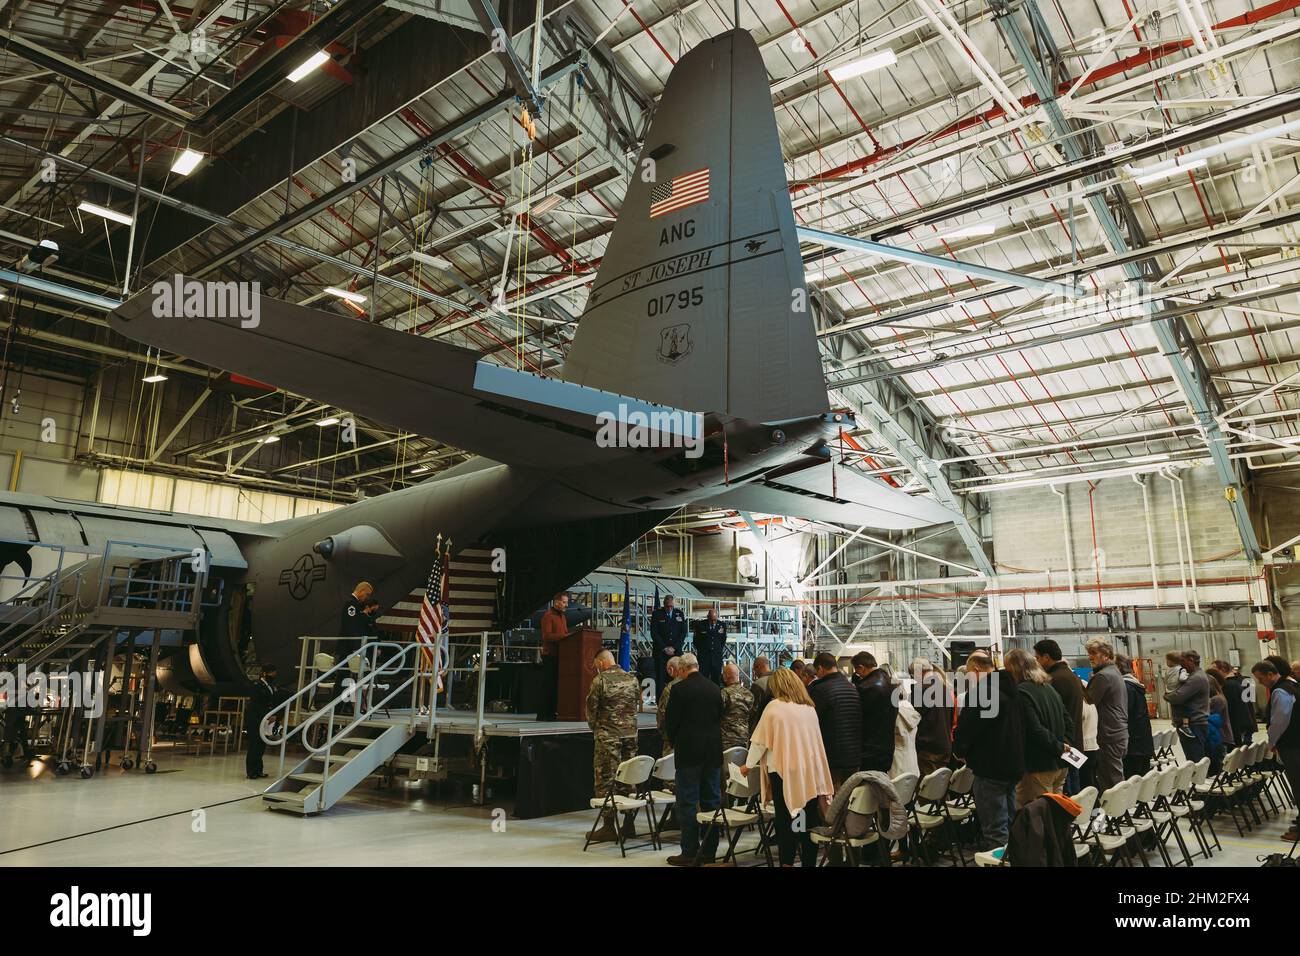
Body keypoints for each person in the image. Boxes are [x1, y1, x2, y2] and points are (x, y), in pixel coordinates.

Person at [741, 667, 834, 867]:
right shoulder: (809, 707)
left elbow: (760, 742)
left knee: (786, 820)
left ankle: (787, 863)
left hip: (784, 771)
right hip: (809, 770)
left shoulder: (774, 707)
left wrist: (747, 765)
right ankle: (809, 862)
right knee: (807, 818)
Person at [953, 652, 1024, 849]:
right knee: (1009, 822)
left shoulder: (982, 693)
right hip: (1012, 764)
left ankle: (998, 860)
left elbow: (966, 730)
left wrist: (959, 750)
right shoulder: (1011, 689)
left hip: (989, 767)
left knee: (995, 829)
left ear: (976, 670)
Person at [663, 654, 723, 866]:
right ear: (696, 666)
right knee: (711, 802)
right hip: (713, 753)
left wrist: (675, 741)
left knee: (687, 803)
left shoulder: (679, 690)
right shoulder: (715, 688)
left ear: (681, 669)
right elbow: (720, 717)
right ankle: (710, 851)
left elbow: (671, 722)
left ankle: (689, 851)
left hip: (689, 753)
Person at [585, 650, 642, 843]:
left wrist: (597, 728)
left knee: (606, 778)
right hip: (631, 735)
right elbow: (637, 704)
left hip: (608, 736)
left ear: (601, 663)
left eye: (596, 665)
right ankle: (629, 823)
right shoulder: (632, 679)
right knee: (630, 778)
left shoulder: (600, 681)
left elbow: (591, 710)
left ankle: (609, 826)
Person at [1005, 649, 1070, 808]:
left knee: (1034, 819)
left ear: (1014, 669)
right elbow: (1069, 721)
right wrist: (1064, 746)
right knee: (1054, 814)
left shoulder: (1021, 692)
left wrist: (1059, 747)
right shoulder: (1049, 688)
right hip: (1060, 764)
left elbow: (1034, 729)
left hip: (1038, 765)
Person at [1250, 659, 1299, 842]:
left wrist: (1272, 741)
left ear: (1271, 674)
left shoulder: (1280, 690)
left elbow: (1279, 722)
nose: (1260, 683)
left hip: (1292, 746)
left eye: (1261, 678)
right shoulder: (1291, 685)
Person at [1033, 640, 1086, 793]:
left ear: (1046, 657)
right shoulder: (1069, 675)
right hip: (1073, 742)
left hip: (1063, 746)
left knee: (1065, 795)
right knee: (1073, 791)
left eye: (1037, 658)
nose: (1036, 661)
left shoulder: (1055, 679)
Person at [807, 652, 862, 786]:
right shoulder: (852, 687)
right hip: (854, 754)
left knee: (831, 799)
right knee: (848, 796)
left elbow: (811, 720)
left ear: (820, 668)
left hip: (831, 756)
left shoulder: (819, 689)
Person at [1084, 638, 1128, 791]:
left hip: (1110, 733)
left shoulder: (1103, 676)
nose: (1090, 657)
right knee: (1112, 775)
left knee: (1112, 780)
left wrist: (1081, 682)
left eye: (1094, 653)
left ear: (1106, 654)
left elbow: (1089, 699)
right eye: (1089, 653)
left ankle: (1119, 812)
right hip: (1118, 731)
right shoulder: (1114, 671)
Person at [1163, 649, 1211, 764]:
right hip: (1194, 723)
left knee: (1195, 761)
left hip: (1193, 724)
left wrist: (1166, 695)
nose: (1181, 664)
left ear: (1191, 660)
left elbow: (1178, 697)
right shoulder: (1194, 675)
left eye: (1183, 661)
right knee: (1194, 758)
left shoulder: (1196, 678)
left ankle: (1197, 781)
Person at [855, 652, 897, 772]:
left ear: (861, 668)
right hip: (887, 746)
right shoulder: (890, 683)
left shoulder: (867, 687)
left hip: (870, 749)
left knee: (868, 787)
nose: (858, 676)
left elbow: (862, 719)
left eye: (857, 672)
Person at [911, 657, 953, 777]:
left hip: (928, 747)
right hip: (945, 745)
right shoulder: (945, 689)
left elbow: (913, 719)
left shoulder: (920, 690)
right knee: (939, 787)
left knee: (928, 791)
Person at [1116, 654, 1154, 777]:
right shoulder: (1135, 685)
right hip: (1143, 743)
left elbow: (1124, 715)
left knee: (1132, 784)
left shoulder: (1125, 687)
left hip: (1133, 746)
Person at [536, 593, 570, 721]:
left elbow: (565, 633)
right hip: (550, 655)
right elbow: (546, 636)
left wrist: (567, 637)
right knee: (548, 685)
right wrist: (564, 637)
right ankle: (543, 714)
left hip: (560, 654)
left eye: (566, 602)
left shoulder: (562, 617)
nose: (566, 605)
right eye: (564, 602)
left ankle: (552, 712)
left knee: (555, 685)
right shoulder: (548, 616)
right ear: (556, 602)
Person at [244, 664, 281, 780]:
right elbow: (256, 703)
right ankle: (251, 771)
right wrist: (267, 715)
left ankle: (259, 769)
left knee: (261, 744)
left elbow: (273, 702)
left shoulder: (271, 686)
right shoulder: (256, 685)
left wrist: (274, 715)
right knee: (254, 744)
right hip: (255, 718)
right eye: (271, 673)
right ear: (265, 673)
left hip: (266, 718)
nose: (273, 675)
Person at [650, 594, 686, 699]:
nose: (669, 608)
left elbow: (683, 633)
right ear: (664, 604)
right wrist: (665, 648)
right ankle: (660, 701)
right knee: (661, 677)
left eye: (671, 606)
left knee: (676, 677)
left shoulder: (679, 614)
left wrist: (674, 648)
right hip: (661, 652)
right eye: (667, 606)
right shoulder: (657, 614)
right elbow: (654, 633)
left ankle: (675, 700)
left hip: (676, 652)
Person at [1212, 660, 1257, 744]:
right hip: (1248, 722)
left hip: (1237, 726)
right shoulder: (1244, 680)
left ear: (1221, 670)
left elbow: (1231, 709)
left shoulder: (1228, 686)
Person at [719, 663, 753, 750]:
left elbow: (717, 714)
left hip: (727, 740)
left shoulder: (724, 693)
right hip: (744, 738)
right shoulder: (749, 694)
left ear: (726, 676)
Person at [1205, 670, 1234, 774]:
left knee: (1217, 765)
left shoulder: (1216, 700)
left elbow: (1212, 717)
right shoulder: (1220, 697)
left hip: (1220, 736)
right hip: (1223, 735)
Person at [657, 656, 684, 756]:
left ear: (671, 669)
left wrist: (663, 733)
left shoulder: (670, 688)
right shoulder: (694, 684)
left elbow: (662, 714)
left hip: (672, 739)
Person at [693, 608, 726, 686]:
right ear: (708, 617)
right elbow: (696, 641)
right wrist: (702, 651)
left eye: (715, 620)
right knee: (702, 680)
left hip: (716, 658)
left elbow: (723, 640)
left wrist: (716, 650)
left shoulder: (722, 625)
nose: (713, 622)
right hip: (704, 658)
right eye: (711, 620)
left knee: (716, 680)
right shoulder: (700, 625)